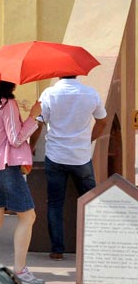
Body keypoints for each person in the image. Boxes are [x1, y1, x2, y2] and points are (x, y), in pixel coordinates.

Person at [0, 78, 45, 284]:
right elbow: (15, 138)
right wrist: (33, 116)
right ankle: (20, 271)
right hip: (5, 167)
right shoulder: (7, 104)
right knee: (28, 216)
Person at [29, 76, 107, 261]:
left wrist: (31, 145)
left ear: (59, 75)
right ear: (77, 74)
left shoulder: (49, 93)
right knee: (91, 201)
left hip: (56, 156)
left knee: (55, 203)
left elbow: (38, 123)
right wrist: (88, 140)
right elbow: (102, 122)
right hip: (81, 157)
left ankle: (57, 250)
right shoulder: (90, 93)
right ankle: (92, 246)